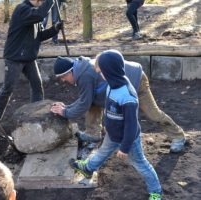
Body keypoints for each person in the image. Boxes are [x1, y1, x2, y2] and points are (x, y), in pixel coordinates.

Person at [69, 50, 162, 200]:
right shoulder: (111, 85)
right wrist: (108, 124)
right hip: (113, 134)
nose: (100, 75)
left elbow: (131, 126)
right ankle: (88, 168)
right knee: (102, 152)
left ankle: (156, 191)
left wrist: (125, 147)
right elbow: (109, 107)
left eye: (102, 72)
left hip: (128, 138)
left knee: (141, 164)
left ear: (110, 71)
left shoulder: (127, 96)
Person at [51, 56, 186, 153]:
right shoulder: (81, 69)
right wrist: (67, 108)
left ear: (70, 71)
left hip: (136, 81)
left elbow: (83, 104)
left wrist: (65, 112)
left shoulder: (84, 75)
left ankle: (178, 136)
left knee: (153, 113)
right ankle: (93, 133)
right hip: (119, 83)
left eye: (63, 77)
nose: (63, 80)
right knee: (94, 102)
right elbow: (85, 99)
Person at [0, 0, 63, 126]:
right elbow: (39, 14)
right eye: (42, 1)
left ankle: (35, 117)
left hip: (29, 58)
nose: (42, 3)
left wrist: (55, 29)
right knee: (7, 89)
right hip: (14, 57)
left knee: (37, 86)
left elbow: (40, 36)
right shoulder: (22, 9)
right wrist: (50, 2)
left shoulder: (34, 14)